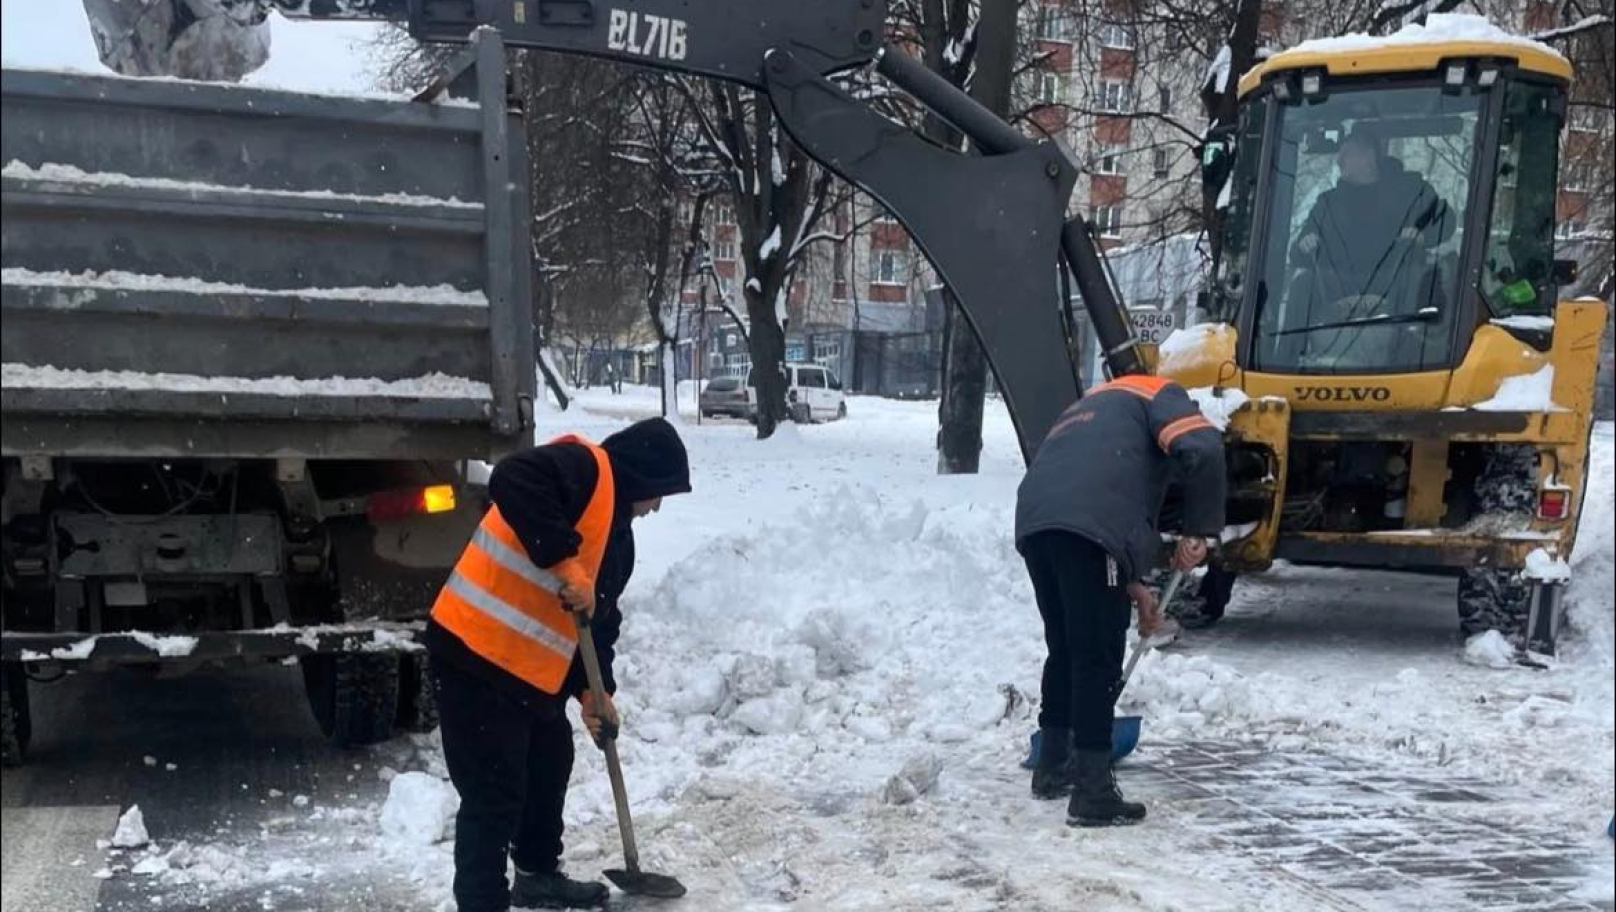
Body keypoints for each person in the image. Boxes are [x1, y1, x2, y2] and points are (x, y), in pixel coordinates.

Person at [426, 418, 691, 911]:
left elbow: (598, 623)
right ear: (643, 475)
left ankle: (536, 873)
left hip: (525, 672)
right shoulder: (584, 467)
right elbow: (511, 477)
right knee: (494, 792)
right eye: (659, 494)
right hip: (473, 652)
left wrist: (595, 692)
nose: (656, 507)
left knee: (550, 761)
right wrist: (565, 564)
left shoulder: (618, 539)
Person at [1015, 373, 1226, 827]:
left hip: (1036, 520)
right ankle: (1092, 789)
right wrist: (1199, 530)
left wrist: (1133, 587)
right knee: (1098, 654)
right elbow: (1205, 449)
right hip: (1090, 525)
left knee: (1068, 647)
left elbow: (1104, 495)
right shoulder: (1161, 395)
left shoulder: (1091, 408)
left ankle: (1053, 765)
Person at [1291, 131, 1454, 310]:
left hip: (1399, 288)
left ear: (1368, 157)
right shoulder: (1327, 204)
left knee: (1426, 280)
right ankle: (1290, 339)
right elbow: (1298, 252)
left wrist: (1423, 235)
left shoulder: (1410, 191)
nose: (1338, 160)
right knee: (1303, 284)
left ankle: (1416, 334)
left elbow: (1446, 220)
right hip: (1337, 293)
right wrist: (1304, 244)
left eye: (1346, 154)